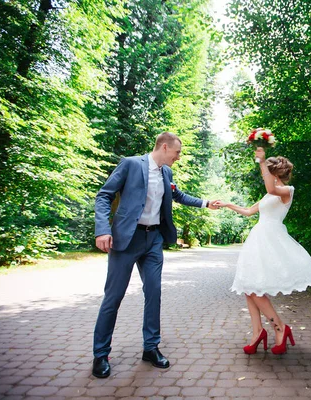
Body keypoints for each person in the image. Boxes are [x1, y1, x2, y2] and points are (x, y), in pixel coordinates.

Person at [92, 132, 219, 378]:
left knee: (154, 293)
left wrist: (206, 203)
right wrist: (102, 230)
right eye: (177, 152)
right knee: (113, 297)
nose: (178, 158)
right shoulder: (130, 164)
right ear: (164, 147)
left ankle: (150, 348)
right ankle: (100, 355)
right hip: (126, 240)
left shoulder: (166, 173)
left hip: (153, 240)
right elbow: (104, 195)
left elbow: (178, 195)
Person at [215, 147, 311, 355]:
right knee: (249, 287)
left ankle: (280, 327)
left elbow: (270, 188)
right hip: (258, 240)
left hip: (271, 240)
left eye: (267, 171)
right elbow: (249, 211)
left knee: (254, 288)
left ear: (275, 173)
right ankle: (258, 332)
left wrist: (261, 162)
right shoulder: (268, 195)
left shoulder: (287, 191)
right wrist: (227, 204)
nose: (263, 175)